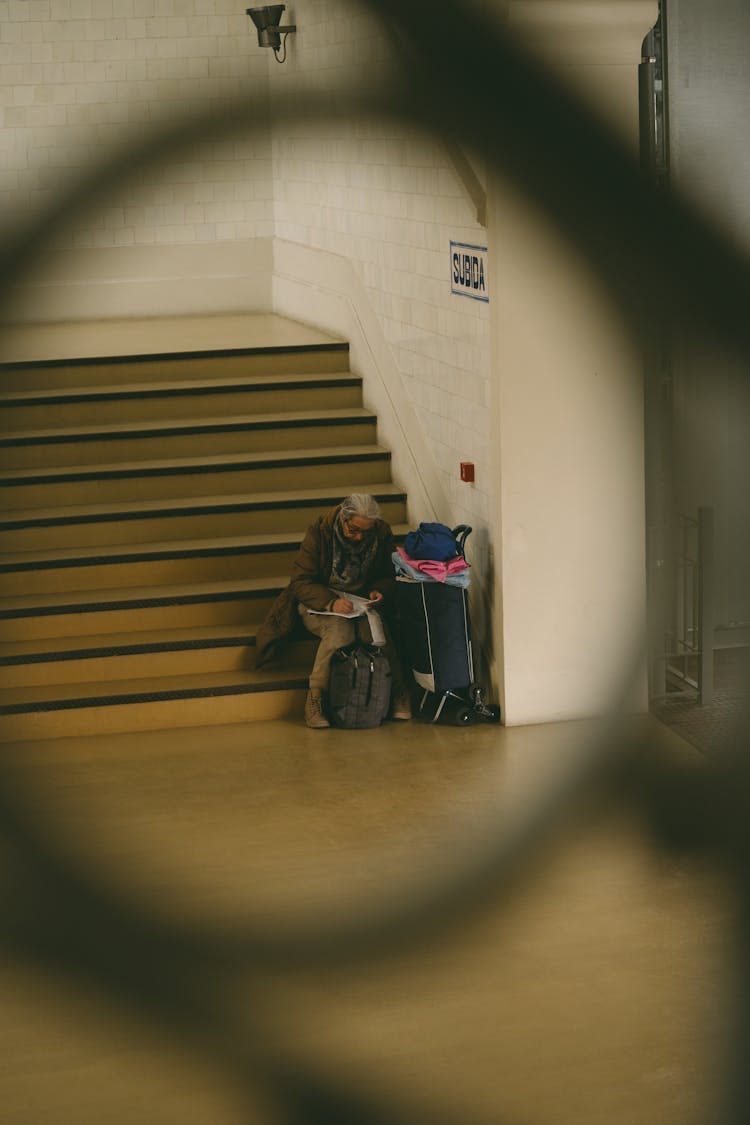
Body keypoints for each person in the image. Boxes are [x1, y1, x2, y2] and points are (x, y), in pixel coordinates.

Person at [255, 493, 412, 728]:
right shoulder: (320, 534)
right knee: (340, 634)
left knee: (377, 636)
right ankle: (315, 698)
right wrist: (330, 602)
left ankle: (398, 693)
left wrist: (379, 590)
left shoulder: (380, 533)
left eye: (366, 532)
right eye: (354, 530)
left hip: (359, 602)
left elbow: (388, 573)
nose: (360, 537)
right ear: (342, 519)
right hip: (319, 601)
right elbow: (300, 581)